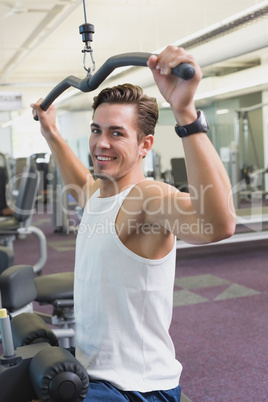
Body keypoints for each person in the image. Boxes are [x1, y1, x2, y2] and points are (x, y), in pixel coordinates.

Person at [31, 46, 236, 401]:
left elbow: (217, 224)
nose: (101, 144)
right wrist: (51, 132)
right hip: (93, 373)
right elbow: (80, 185)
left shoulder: (147, 197)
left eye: (117, 133)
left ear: (145, 145)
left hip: (137, 389)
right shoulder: (100, 192)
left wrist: (184, 112)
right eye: (97, 130)